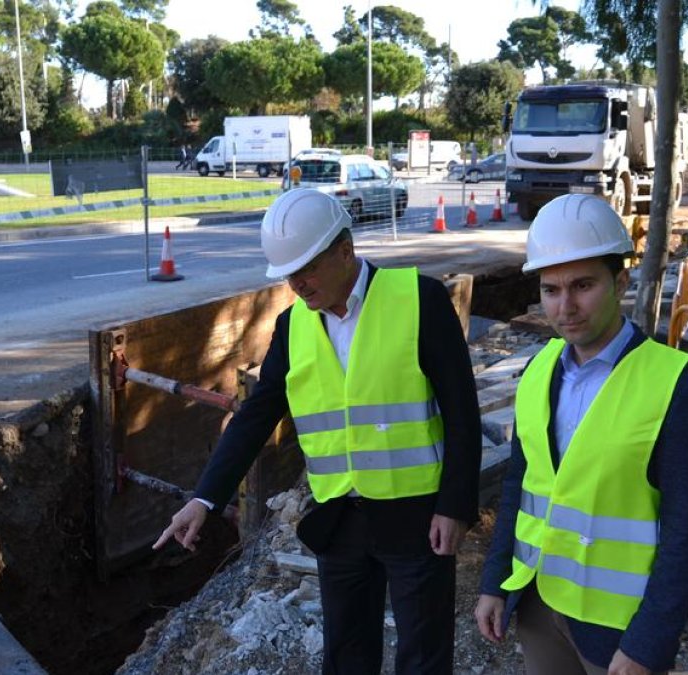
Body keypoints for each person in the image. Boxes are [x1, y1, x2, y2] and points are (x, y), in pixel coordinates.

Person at [154, 188, 482, 674]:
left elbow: (461, 412)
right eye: (289, 274)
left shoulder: (420, 301)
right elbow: (255, 418)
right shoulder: (293, 328)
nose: (297, 284)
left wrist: (455, 507)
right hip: (340, 521)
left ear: (345, 250)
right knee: (346, 657)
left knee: (424, 656)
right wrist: (204, 499)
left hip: (418, 519)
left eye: (306, 269)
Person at [474, 194, 688, 675]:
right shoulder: (539, 370)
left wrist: (648, 644)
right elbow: (520, 488)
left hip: (618, 629)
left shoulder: (679, 386)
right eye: (551, 289)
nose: (565, 307)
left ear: (620, 281)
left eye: (583, 285)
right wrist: (496, 580)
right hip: (539, 603)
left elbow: (687, 534)